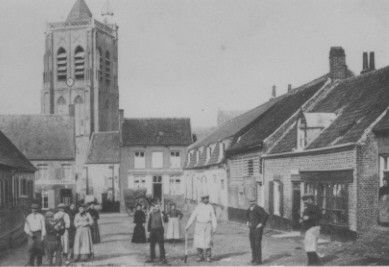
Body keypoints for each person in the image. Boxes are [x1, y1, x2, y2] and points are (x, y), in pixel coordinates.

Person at [185, 194, 217, 262]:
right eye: (204, 198)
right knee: (199, 241)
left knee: (208, 241)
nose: (206, 200)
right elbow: (193, 216)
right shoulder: (198, 207)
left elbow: (213, 217)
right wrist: (188, 225)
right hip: (199, 225)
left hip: (207, 225)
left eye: (207, 198)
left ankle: (208, 256)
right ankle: (200, 256)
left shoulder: (210, 207)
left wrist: (214, 226)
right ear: (202, 199)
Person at [301, 194, 322, 266]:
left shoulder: (315, 207)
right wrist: (302, 219)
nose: (304, 201)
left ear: (310, 199)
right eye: (304, 200)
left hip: (313, 228)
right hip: (309, 229)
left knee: (311, 246)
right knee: (308, 246)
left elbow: (319, 215)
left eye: (306, 199)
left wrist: (308, 217)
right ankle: (312, 262)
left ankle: (314, 263)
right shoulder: (307, 207)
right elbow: (305, 217)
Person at [246, 198, 268, 265]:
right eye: (250, 201)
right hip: (251, 229)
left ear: (255, 201)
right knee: (252, 244)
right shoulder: (249, 209)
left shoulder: (258, 208)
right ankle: (254, 259)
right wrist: (247, 221)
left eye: (252, 201)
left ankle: (259, 261)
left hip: (258, 229)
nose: (251, 203)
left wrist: (261, 223)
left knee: (257, 244)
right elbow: (247, 216)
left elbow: (265, 215)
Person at [145, 200, 168, 264]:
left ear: (159, 206)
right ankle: (152, 257)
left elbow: (166, 220)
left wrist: (164, 214)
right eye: (154, 206)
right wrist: (148, 231)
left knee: (161, 245)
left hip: (159, 230)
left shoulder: (161, 213)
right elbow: (149, 222)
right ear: (152, 207)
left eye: (157, 206)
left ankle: (163, 258)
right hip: (152, 230)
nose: (156, 207)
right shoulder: (151, 213)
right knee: (152, 244)